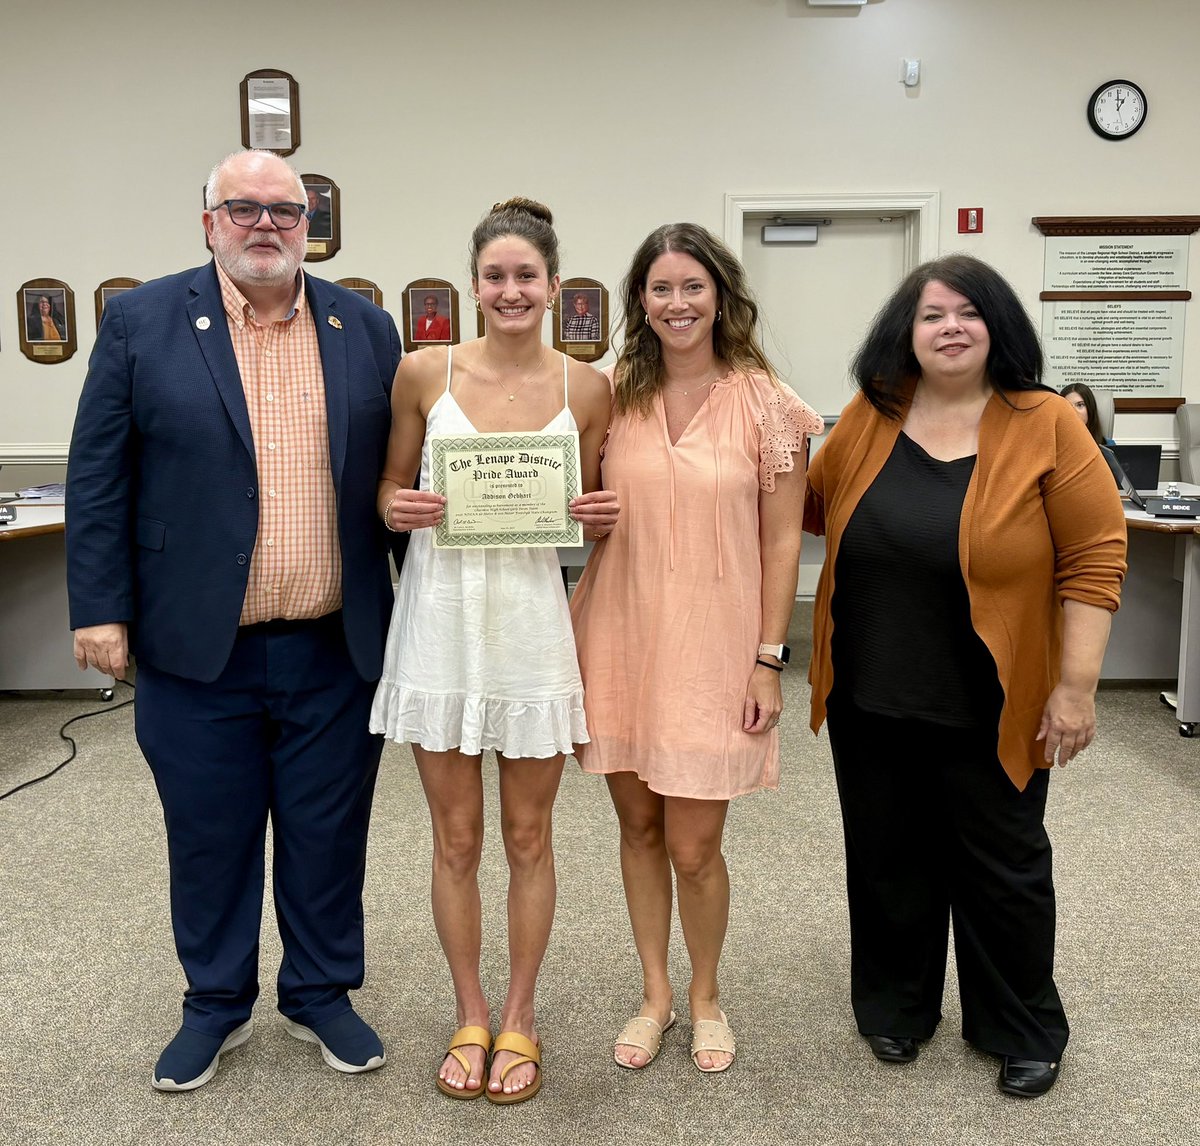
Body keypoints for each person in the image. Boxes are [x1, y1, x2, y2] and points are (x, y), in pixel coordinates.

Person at [65, 149, 404, 1092]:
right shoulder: (141, 321)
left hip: (334, 645)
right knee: (209, 833)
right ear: (208, 220)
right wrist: (99, 608)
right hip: (193, 649)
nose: (267, 224)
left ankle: (321, 991)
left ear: (311, 225)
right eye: (244, 208)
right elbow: (99, 475)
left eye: (286, 211)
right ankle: (214, 1003)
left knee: (327, 830)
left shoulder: (363, 327)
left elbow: (397, 480)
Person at [804, 254, 1127, 1097]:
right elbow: (803, 505)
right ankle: (896, 1007)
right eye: (931, 314)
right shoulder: (868, 418)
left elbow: (1094, 559)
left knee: (1005, 866)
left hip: (995, 700)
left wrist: (1076, 688)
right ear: (903, 334)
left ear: (998, 326)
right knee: (885, 859)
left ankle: (1021, 1025)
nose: (951, 327)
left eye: (969, 312)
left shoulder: (1047, 421)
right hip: (870, 693)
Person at [369, 198, 618, 1103]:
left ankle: (521, 1012)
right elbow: (389, 489)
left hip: (527, 625)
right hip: (439, 621)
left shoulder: (586, 387)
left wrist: (602, 516)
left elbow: (598, 515)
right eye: (494, 276)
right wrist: (394, 507)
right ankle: (469, 1010)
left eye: (527, 276)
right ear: (473, 285)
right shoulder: (422, 372)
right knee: (456, 836)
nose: (511, 290)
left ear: (554, 286)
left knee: (527, 833)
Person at [569, 223, 822, 1075]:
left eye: (692, 287)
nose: (676, 304)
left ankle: (707, 993)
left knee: (694, 845)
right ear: (639, 300)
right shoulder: (613, 395)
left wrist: (768, 656)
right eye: (660, 289)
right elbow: (570, 496)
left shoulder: (769, 403)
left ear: (721, 296)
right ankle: (655, 995)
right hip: (621, 631)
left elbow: (784, 542)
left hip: (716, 646)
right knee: (638, 828)